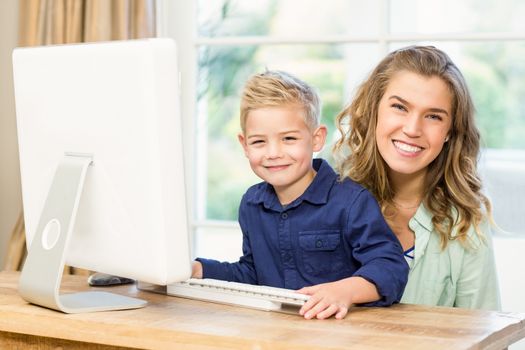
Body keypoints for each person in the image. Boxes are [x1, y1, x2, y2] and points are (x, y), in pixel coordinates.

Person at [192, 70, 409, 319]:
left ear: (316, 139)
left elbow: (391, 267)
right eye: (259, 142)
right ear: (244, 144)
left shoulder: (351, 202)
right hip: (278, 335)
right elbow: (252, 274)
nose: (273, 153)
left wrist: (345, 291)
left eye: (289, 138)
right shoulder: (252, 204)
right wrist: (197, 269)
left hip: (343, 337)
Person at [333, 45, 500, 310]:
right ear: (374, 109)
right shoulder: (327, 195)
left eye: (433, 116)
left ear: (450, 131)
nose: (412, 129)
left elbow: (486, 335)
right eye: (400, 107)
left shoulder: (466, 221)